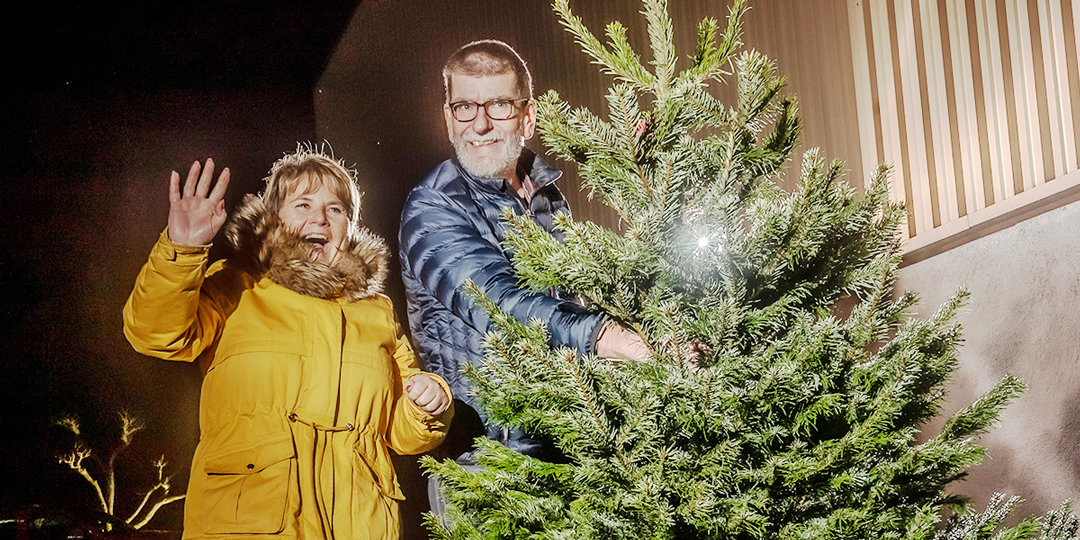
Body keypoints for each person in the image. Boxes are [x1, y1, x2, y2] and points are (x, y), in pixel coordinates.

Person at [123, 147, 453, 540]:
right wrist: (182, 250)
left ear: (350, 226)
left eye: (336, 209)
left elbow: (404, 433)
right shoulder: (236, 286)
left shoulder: (377, 312)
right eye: (303, 204)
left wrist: (428, 403)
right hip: (251, 521)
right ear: (275, 218)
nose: (320, 218)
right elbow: (153, 333)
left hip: (357, 523)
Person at [398, 40, 647, 509]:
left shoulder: (545, 198)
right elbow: (499, 303)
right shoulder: (432, 207)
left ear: (527, 117)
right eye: (466, 106)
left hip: (569, 450)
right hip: (486, 467)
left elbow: (581, 294)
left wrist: (643, 180)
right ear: (449, 118)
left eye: (499, 105)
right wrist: (609, 338)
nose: (481, 123)